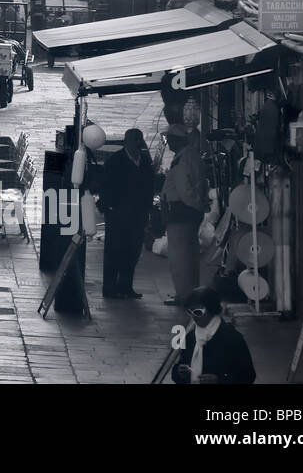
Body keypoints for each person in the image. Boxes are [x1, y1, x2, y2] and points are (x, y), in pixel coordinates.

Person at [100, 127, 155, 299]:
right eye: (134, 140)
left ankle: (126, 286)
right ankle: (109, 288)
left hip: (138, 214)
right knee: (114, 251)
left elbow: (149, 185)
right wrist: (110, 207)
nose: (137, 144)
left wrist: (147, 208)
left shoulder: (145, 161)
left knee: (133, 250)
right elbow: (106, 187)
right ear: (127, 142)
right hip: (118, 214)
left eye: (139, 140)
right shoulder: (115, 161)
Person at [162, 124, 210, 305]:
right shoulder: (193, 156)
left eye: (170, 140)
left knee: (179, 256)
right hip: (190, 212)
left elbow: (185, 191)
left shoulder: (182, 160)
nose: (168, 144)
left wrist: (196, 205)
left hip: (180, 212)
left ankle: (183, 295)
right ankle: (191, 292)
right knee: (190, 255)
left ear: (178, 140)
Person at [171, 287, 256, 384]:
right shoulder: (191, 337)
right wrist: (179, 372)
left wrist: (220, 380)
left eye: (198, 312)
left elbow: (248, 376)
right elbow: (179, 368)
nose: (193, 316)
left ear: (211, 309)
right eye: (190, 312)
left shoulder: (231, 337)